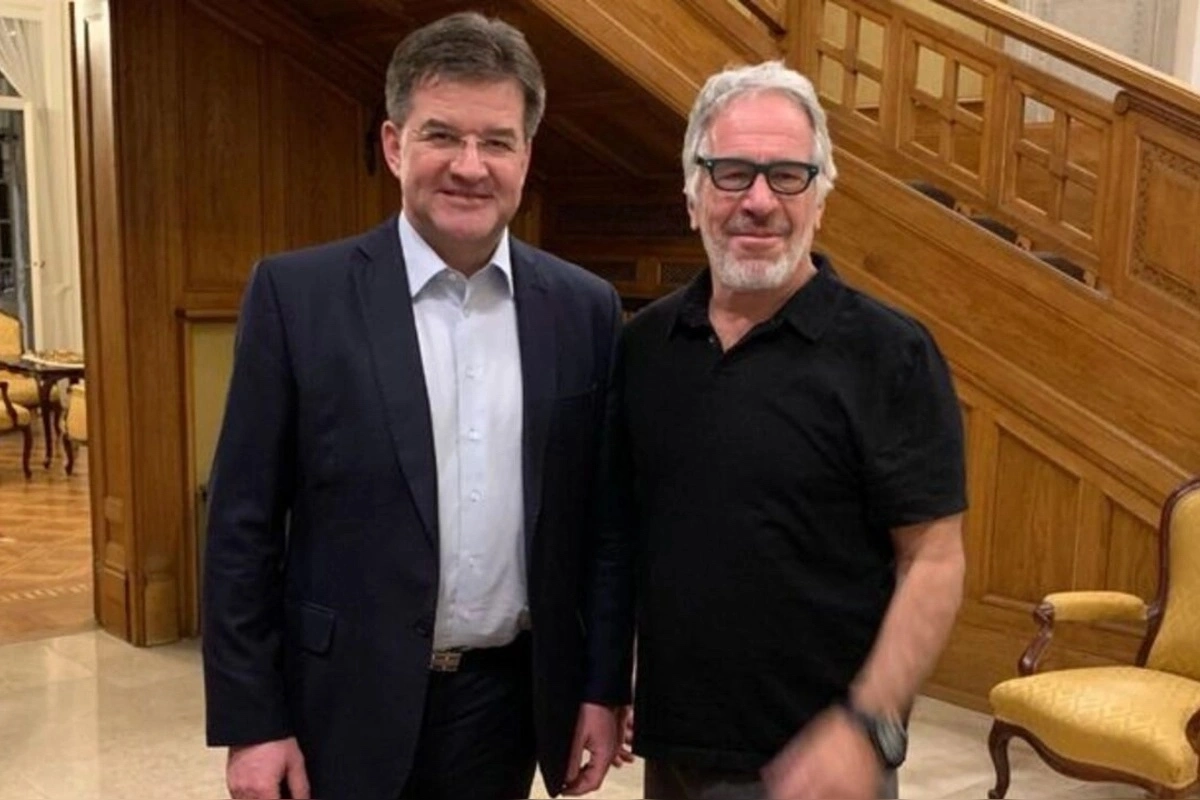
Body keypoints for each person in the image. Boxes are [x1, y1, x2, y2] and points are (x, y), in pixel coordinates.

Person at [201, 12, 628, 800]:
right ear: (395, 145)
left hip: (505, 708)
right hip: (338, 704)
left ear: (526, 157)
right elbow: (241, 528)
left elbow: (604, 526)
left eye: (496, 141)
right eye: (442, 136)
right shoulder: (297, 297)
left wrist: (601, 689)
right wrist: (252, 721)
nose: (470, 166)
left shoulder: (585, 310)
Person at [596, 60, 968, 800]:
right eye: (732, 173)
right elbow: (630, 535)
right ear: (693, 196)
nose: (759, 201)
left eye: (788, 176)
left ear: (820, 200)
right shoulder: (644, 347)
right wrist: (615, 676)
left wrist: (868, 723)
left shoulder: (891, 354)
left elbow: (933, 558)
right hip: (675, 755)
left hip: (822, 767)